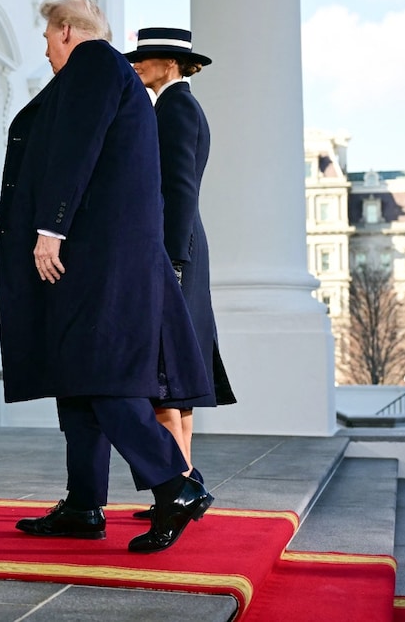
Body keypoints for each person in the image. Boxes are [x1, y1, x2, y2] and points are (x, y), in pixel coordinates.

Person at [0, 0, 214, 554]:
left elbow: (77, 151)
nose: (47, 51)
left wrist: (50, 229)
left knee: (102, 380)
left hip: (99, 261)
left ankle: (176, 486)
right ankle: (83, 504)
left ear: (66, 31)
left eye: (48, 39)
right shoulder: (103, 75)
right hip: (95, 259)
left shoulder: (93, 61)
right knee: (77, 380)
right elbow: (58, 167)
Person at [126, 27, 235, 518]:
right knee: (175, 380)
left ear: (170, 63)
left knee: (165, 376)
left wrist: (171, 259)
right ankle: (186, 480)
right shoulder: (173, 106)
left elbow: (180, 188)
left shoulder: (175, 108)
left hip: (176, 251)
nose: (136, 65)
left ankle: (179, 490)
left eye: (144, 58)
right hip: (183, 248)